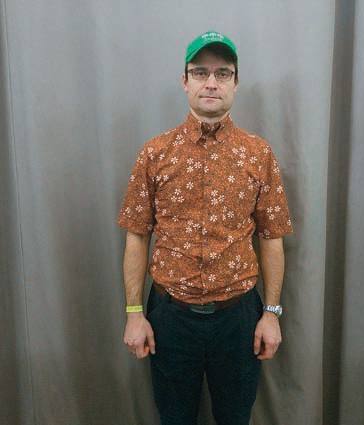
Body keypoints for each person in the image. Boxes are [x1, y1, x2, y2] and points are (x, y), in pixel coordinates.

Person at [117, 30, 293, 425]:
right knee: (174, 417)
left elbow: (272, 238)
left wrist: (271, 313)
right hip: (170, 318)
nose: (211, 82)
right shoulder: (154, 153)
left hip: (239, 319)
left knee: (235, 417)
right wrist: (134, 313)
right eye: (200, 72)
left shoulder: (258, 154)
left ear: (235, 82)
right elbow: (137, 235)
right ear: (185, 81)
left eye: (222, 73)